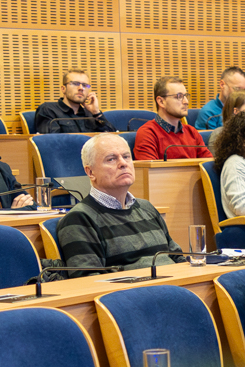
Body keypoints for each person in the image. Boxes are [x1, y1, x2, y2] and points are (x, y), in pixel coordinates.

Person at [52, 132, 186, 272]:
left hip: (173, 286)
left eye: (126, 156)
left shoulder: (146, 207)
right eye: (111, 159)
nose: (123, 163)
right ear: (90, 172)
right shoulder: (79, 218)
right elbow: (89, 280)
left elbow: (177, 257)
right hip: (134, 292)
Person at [133, 76, 209, 160]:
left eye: (186, 96)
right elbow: (150, 172)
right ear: (161, 102)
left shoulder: (192, 132)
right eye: (179, 96)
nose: (186, 101)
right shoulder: (148, 133)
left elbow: (209, 166)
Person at [30, 71, 111, 134]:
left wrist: (97, 113)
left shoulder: (91, 114)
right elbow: (53, 142)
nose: (81, 88)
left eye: (85, 85)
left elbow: (113, 139)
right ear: (63, 89)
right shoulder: (48, 109)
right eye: (75, 84)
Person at [191, 66, 245, 131]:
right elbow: (209, 140)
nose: (240, 94)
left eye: (244, 90)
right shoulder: (208, 113)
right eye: (237, 89)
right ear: (222, 85)